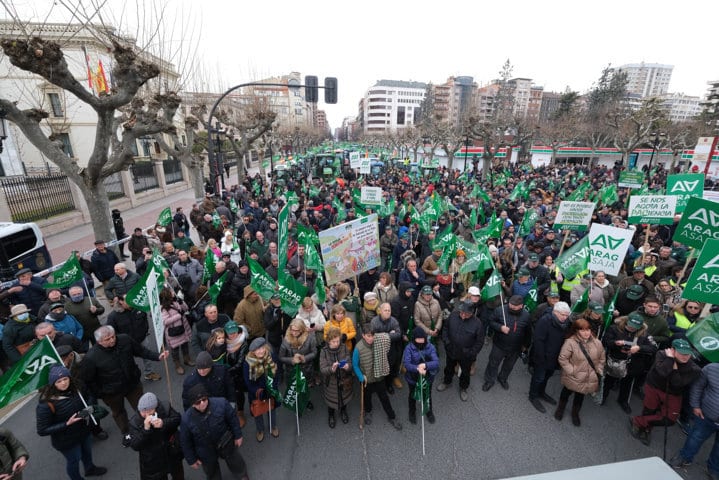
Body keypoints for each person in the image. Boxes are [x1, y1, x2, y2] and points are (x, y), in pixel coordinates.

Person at [81, 325, 169, 443]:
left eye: (113, 336)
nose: (112, 340)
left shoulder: (125, 339)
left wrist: (157, 356)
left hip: (132, 384)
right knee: (119, 413)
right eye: (107, 339)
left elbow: (141, 351)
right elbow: (88, 379)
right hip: (112, 393)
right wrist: (101, 394)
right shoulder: (91, 357)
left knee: (142, 406)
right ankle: (127, 432)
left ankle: (149, 425)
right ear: (99, 341)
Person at [36, 365, 108, 480]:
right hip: (66, 440)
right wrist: (66, 424)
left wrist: (88, 407)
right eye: (59, 381)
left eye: (65, 379)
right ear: (52, 383)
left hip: (84, 430)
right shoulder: (46, 404)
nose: (63, 383)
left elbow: (89, 395)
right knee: (74, 459)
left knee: (87, 452)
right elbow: (42, 430)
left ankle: (90, 468)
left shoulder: (77, 386)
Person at [630, 338, 701, 446]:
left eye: (688, 354)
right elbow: (662, 372)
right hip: (654, 386)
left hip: (674, 393)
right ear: (672, 350)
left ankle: (637, 421)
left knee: (669, 419)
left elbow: (677, 383)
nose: (685, 356)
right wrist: (670, 359)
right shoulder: (661, 354)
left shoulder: (694, 369)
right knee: (649, 410)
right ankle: (646, 429)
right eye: (682, 353)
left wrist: (675, 368)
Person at [180, 384, 249, 480]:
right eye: (198, 402)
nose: (202, 403)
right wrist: (191, 460)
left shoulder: (221, 403)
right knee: (211, 471)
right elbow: (185, 441)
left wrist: (238, 435)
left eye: (204, 399)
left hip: (225, 441)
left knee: (235, 460)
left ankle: (242, 474)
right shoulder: (186, 420)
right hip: (205, 450)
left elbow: (233, 419)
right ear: (192, 404)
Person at [669, 363, 719, 478]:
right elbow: (698, 386)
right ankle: (685, 457)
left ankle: (714, 468)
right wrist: (695, 406)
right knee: (695, 437)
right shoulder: (711, 368)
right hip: (706, 416)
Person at [601, 312, 657, 414]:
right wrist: (616, 344)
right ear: (626, 321)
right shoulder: (614, 328)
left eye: (635, 327)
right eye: (630, 325)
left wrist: (639, 348)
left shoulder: (644, 334)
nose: (632, 328)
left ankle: (623, 401)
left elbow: (653, 347)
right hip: (616, 361)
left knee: (627, 384)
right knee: (609, 380)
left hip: (633, 363)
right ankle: (603, 395)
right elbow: (606, 341)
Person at [554, 319, 605, 427]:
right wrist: (572, 371)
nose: (586, 333)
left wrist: (598, 370)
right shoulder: (570, 342)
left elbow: (602, 359)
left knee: (580, 396)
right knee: (566, 393)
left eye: (588, 330)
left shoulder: (597, 342)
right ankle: (560, 409)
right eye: (582, 330)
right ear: (576, 330)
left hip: (588, 377)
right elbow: (563, 359)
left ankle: (575, 414)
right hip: (573, 376)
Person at [352, 324, 402, 430]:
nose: (371, 338)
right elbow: (355, 365)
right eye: (368, 336)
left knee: (384, 397)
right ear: (363, 335)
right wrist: (361, 377)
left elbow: (386, 336)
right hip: (367, 379)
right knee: (367, 397)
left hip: (379, 377)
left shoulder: (379, 342)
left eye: (373, 336)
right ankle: (368, 411)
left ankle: (392, 416)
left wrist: (392, 333)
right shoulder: (358, 348)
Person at [127, 392, 183, 480]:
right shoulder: (135, 422)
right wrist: (145, 430)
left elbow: (177, 419)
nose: (146, 415)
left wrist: (163, 423)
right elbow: (135, 445)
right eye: (143, 411)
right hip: (152, 461)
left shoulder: (165, 407)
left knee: (178, 474)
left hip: (171, 452)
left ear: (155, 408)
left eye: (149, 411)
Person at [528, 301, 572, 414]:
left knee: (547, 376)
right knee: (538, 377)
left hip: (555, 357)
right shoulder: (545, 321)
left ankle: (541, 392)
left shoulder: (566, 323)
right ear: (555, 312)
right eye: (563, 315)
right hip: (543, 357)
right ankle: (533, 396)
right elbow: (538, 341)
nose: (565, 317)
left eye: (567, 315)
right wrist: (541, 358)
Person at [436, 301, 484, 402]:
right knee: (449, 367)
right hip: (451, 350)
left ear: (471, 313)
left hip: (466, 355)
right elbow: (445, 329)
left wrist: (471, 353)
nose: (462, 315)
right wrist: (447, 342)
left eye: (466, 313)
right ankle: (447, 382)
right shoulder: (453, 315)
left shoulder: (477, 324)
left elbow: (479, 342)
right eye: (461, 312)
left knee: (465, 373)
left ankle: (463, 388)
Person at [107, 295, 161, 382]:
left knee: (146, 356)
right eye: (128, 301)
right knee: (128, 362)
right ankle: (131, 379)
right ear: (121, 302)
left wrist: (145, 331)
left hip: (142, 339)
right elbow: (111, 332)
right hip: (126, 344)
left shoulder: (138, 308)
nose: (132, 302)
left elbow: (144, 319)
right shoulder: (113, 316)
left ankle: (149, 373)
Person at [483, 295, 531, 392]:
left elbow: (528, 332)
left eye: (515, 305)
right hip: (499, 344)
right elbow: (491, 321)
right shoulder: (500, 310)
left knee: (509, 365)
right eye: (510, 304)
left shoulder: (526, 315)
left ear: (521, 306)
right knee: (493, 363)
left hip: (515, 348)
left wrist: (526, 345)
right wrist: (500, 327)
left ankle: (502, 378)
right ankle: (489, 380)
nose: (511, 306)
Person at [243, 338, 280, 442]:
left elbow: (276, 372)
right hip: (257, 393)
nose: (260, 351)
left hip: (271, 389)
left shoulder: (271, 356)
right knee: (258, 412)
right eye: (257, 349)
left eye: (262, 348)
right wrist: (259, 392)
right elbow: (248, 382)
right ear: (252, 351)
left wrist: (273, 386)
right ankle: (260, 430)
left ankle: (273, 427)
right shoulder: (247, 363)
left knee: (271, 409)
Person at [403, 326, 439, 425]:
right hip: (413, 378)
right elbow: (407, 364)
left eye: (422, 339)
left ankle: (428, 411)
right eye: (417, 339)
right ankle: (412, 412)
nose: (420, 341)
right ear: (414, 339)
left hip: (427, 378)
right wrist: (417, 368)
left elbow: (436, 362)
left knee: (427, 394)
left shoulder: (430, 347)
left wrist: (426, 365)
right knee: (412, 395)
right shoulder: (409, 348)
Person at [319, 327, 353, 428]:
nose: (336, 343)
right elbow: (322, 369)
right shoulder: (324, 352)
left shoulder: (344, 347)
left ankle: (343, 411)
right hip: (331, 382)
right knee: (331, 402)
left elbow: (349, 362)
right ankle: (331, 415)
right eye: (334, 341)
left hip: (344, 379)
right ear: (329, 341)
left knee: (344, 399)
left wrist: (347, 367)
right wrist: (331, 369)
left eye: (338, 341)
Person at [279, 319, 317, 402]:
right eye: (292, 330)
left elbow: (314, 353)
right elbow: (281, 357)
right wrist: (292, 360)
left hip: (306, 369)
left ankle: (307, 401)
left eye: (297, 330)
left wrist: (304, 358)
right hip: (291, 371)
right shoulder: (286, 340)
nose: (294, 332)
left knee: (305, 388)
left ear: (302, 329)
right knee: (294, 390)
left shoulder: (310, 338)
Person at [370, 302, 403, 393]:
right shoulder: (374, 321)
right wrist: (389, 335)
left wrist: (383, 335)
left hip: (391, 348)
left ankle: (389, 385)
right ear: (380, 311)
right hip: (378, 349)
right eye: (385, 310)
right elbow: (373, 337)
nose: (388, 312)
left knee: (390, 367)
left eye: (389, 310)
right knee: (379, 367)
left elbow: (398, 335)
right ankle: (380, 385)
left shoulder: (394, 321)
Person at [159, 289, 193, 375]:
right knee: (175, 350)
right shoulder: (163, 308)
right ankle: (177, 365)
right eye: (171, 292)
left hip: (183, 327)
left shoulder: (176, 301)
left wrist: (181, 302)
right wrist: (178, 316)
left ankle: (187, 359)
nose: (173, 292)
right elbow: (165, 321)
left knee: (185, 345)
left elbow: (186, 308)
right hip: (174, 332)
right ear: (168, 295)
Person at [224, 321, 250, 428]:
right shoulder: (223, 342)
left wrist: (226, 371)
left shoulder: (243, 343)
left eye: (234, 332)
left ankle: (240, 412)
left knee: (239, 393)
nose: (232, 335)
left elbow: (240, 363)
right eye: (230, 333)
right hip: (228, 373)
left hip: (239, 374)